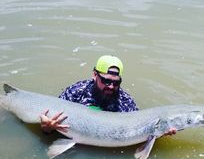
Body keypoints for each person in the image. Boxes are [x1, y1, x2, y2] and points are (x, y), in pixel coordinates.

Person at [40, 55, 176, 135]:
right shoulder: (76, 92)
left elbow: (139, 131)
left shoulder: (126, 102)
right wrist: (47, 128)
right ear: (94, 75)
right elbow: (50, 119)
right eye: (106, 81)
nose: (111, 86)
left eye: (116, 82)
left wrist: (159, 133)